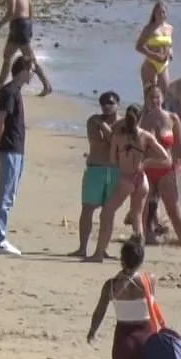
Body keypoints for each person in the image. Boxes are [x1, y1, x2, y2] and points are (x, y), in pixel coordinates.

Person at [87, 108, 169, 263]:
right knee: (137, 218)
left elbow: (112, 160)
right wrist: (145, 162)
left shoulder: (118, 137)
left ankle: (98, 253)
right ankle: (139, 255)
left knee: (107, 213)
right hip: (141, 179)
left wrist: (122, 162)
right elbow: (164, 157)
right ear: (140, 118)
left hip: (126, 179)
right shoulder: (146, 136)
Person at [86, 236, 157, 359]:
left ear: (121, 260)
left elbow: (100, 311)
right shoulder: (150, 280)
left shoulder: (111, 285)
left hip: (123, 340)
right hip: (145, 341)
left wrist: (93, 330)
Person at [137, 83, 181, 263]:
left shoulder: (172, 118)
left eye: (157, 97)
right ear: (145, 100)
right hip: (146, 170)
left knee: (173, 211)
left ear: (163, 98)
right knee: (142, 211)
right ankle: (139, 253)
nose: (154, 101)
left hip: (166, 170)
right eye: (150, 98)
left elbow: (178, 146)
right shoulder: (141, 119)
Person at [0, 56, 31, 256]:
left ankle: (0, 237)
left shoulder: (15, 91)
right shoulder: (10, 92)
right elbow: (0, 120)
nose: (33, 74)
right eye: (32, 69)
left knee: (9, 194)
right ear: (23, 70)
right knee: (4, 195)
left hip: (16, 149)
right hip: (9, 148)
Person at [70, 91, 121, 259]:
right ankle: (82, 247)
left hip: (114, 170)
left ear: (117, 104)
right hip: (95, 169)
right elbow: (97, 144)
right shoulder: (93, 120)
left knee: (109, 211)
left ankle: (103, 248)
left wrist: (105, 128)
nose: (107, 106)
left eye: (111, 103)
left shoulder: (123, 123)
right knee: (88, 208)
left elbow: (115, 142)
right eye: (104, 103)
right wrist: (108, 136)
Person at [133, 1, 172, 94]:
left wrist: (170, 51)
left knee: (166, 93)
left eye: (163, 12)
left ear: (166, 13)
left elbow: (169, 44)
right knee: (151, 93)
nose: (161, 15)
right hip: (151, 63)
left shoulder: (169, 28)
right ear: (154, 14)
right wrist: (153, 55)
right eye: (158, 12)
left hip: (164, 64)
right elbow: (138, 46)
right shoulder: (149, 28)